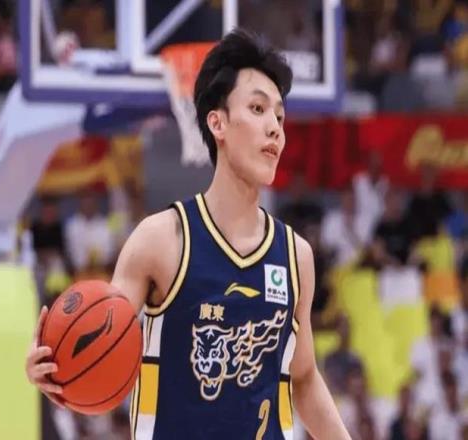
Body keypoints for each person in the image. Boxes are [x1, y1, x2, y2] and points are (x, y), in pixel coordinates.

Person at [26, 29, 351, 439]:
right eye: (257, 108)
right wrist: (54, 364)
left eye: (280, 117)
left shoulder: (295, 255)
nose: (274, 128)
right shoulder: (160, 240)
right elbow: (102, 336)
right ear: (217, 122)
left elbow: (302, 378)